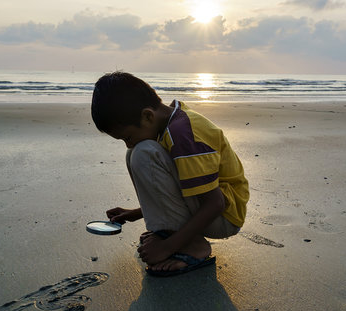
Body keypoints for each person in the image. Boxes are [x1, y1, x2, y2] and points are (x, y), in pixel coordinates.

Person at [91, 72, 249, 277]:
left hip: (224, 216)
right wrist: (139, 212)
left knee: (142, 153)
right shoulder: (171, 120)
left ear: (148, 115)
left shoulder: (183, 135)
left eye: (128, 136)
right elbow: (184, 184)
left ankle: (193, 247)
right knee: (134, 153)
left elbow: (215, 203)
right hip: (211, 206)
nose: (128, 143)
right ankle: (171, 233)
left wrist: (166, 247)